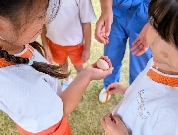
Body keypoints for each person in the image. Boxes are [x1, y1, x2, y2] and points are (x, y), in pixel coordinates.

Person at [0, 0, 113, 134]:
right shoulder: (23, 89)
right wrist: (87, 74)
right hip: (50, 130)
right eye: (40, 15)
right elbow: (62, 108)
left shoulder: (14, 43)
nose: (46, 19)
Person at [102, 0, 178, 134]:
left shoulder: (174, 116)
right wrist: (128, 90)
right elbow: (152, 89)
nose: (157, 46)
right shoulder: (158, 63)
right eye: (155, 25)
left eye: (175, 43)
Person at [95, 0, 152, 103]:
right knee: (111, 55)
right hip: (116, 11)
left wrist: (153, 23)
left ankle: (137, 92)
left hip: (148, 15)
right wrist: (106, 10)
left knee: (140, 59)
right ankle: (109, 86)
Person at [41, 0, 96, 90]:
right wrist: (46, 48)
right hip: (55, 44)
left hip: (76, 44)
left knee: (78, 67)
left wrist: (87, 49)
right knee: (62, 66)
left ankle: (80, 84)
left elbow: (86, 23)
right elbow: (42, 25)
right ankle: (67, 81)